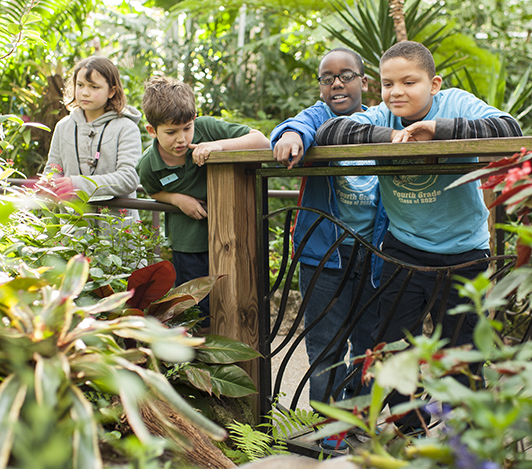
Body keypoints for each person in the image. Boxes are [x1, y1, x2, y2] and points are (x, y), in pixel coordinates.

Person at [315, 40, 523, 431]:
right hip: (404, 248)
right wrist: (389, 139)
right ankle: (409, 427)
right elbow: (331, 130)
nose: (396, 92)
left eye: (409, 82)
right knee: (391, 343)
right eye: (388, 83)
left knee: (462, 350)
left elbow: (509, 129)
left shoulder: (456, 104)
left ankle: (461, 435)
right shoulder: (382, 116)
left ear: (434, 83)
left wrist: (437, 131)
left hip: (465, 251)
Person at [270, 47, 388, 420]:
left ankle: (361, 417)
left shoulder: (380, 122)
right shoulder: (319, 118)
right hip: (325, 254)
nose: (337, 83)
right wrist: (291, 135)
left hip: (374, 254)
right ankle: (328, 424)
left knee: (370, 342)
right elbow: (297, 125)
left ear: (364, 81)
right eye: (327, 78)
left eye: (346, 76)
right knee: (325, 343)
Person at [136, 75, 270, 327]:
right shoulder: (148, 165)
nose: (182, 139)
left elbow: (262, 141)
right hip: (189, 246)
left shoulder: (207, 128)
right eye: (171, 132)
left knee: (238, 300)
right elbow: (153, 191)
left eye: (187, 128)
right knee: (197, 310)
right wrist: (177, 199)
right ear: (152, 131)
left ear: (194, 120)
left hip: (233, 236)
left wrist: (218, 146)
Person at [41, 56, 142, 222]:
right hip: (73, 229)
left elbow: (129, 178)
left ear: (112, 91)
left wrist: (77, 184)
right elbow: (53, 169)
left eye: (94, 87)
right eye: (80, 85)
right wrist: (50, 182)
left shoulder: (126, 128)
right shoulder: (63, 126)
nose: (85, 92)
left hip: (116, 230)